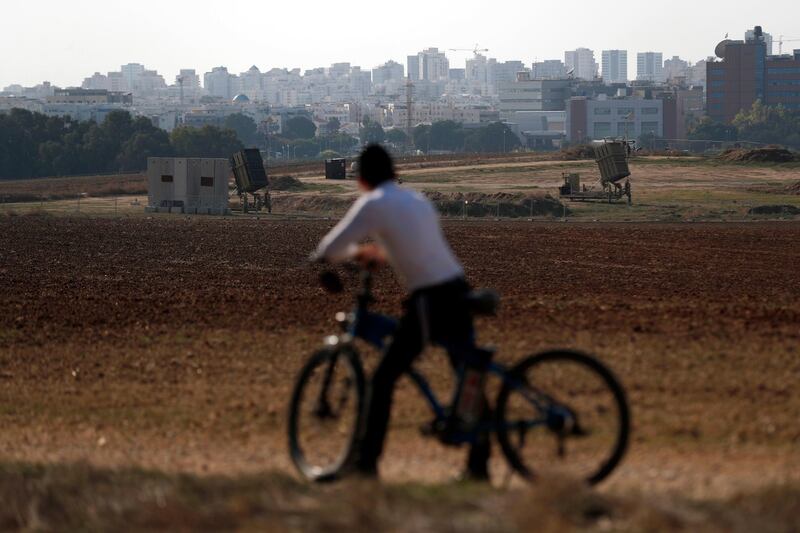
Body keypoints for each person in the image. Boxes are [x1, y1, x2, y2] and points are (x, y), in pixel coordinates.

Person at [312, 144, 491, 481]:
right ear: (394, 173)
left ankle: (365, 465)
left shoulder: (373, 203)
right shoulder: (416, 199)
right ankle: (479, 464)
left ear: (361, 178)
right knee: (465, 372)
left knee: (383, 379)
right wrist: (376, 254)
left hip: (430, 299)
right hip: (456, 288)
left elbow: (332, 247)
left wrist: (319, 259)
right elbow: (411, 246)